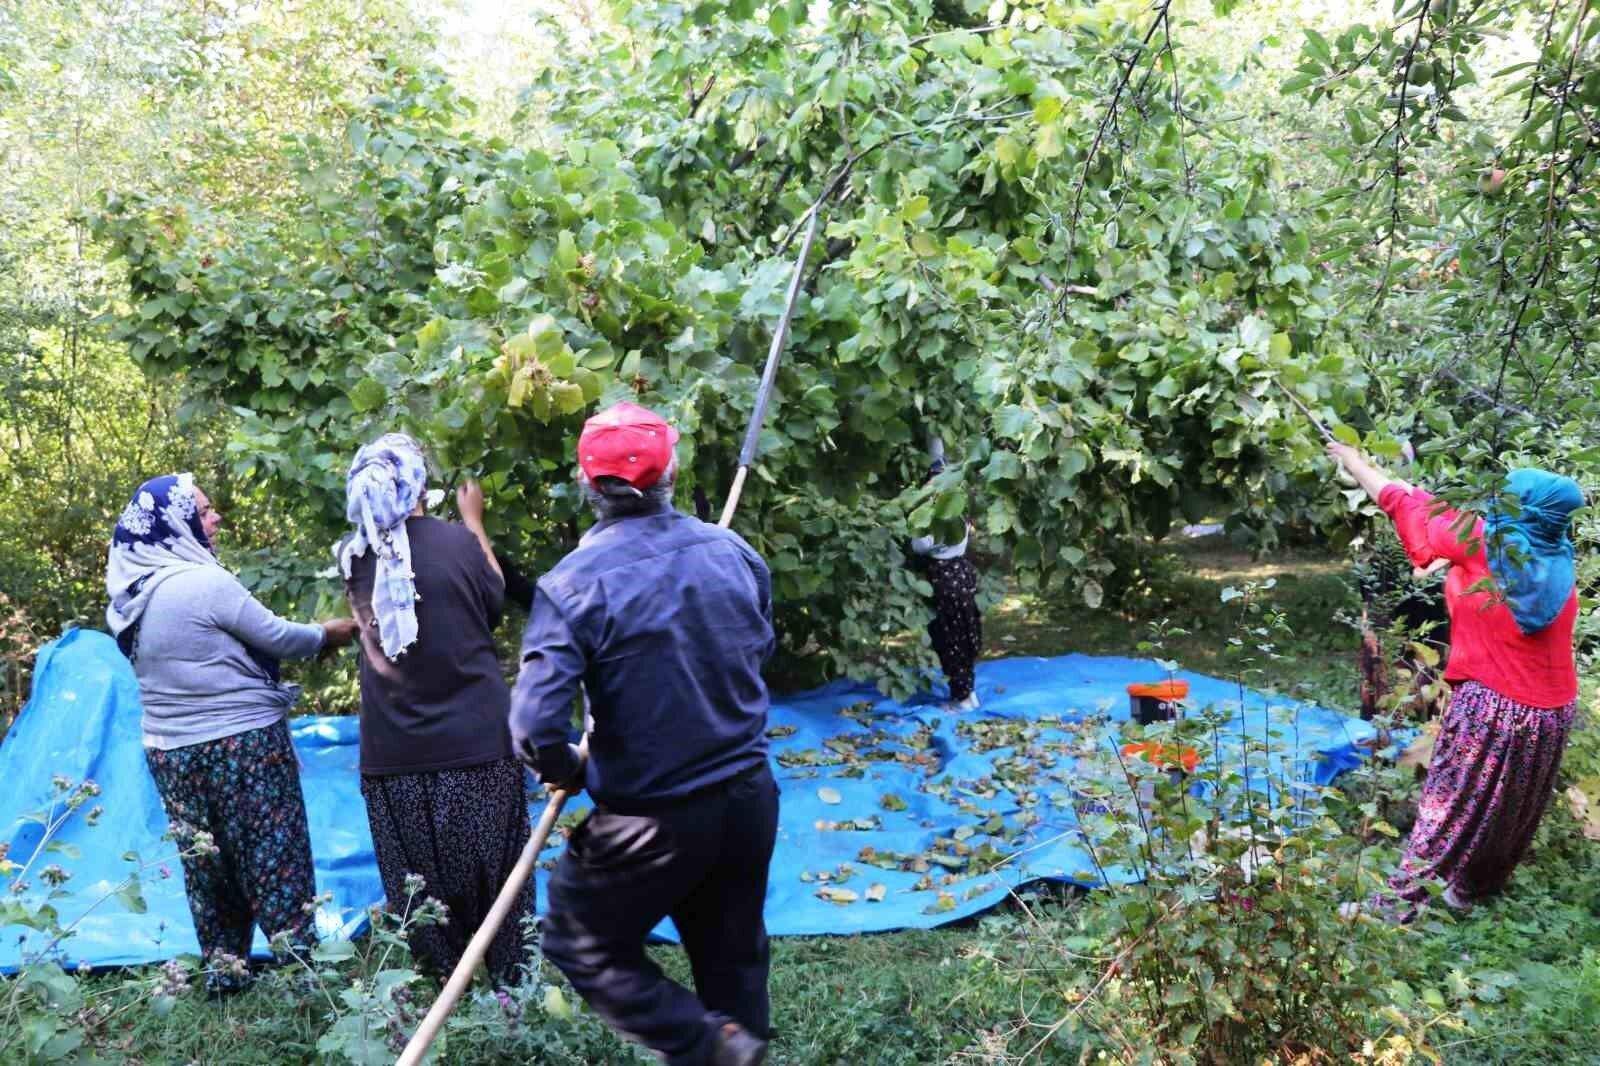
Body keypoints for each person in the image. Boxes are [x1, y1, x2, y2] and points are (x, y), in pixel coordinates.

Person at [509, 402, 778, 1066]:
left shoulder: (573, 584)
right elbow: (754, 649)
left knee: (580, 940)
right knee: (732, 957)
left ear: (586, 482)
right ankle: (733, 1046)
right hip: (747, 797)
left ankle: (707, 1045)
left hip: (655, 816)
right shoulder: (733, 553)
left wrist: (567, 765)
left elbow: (534, 724)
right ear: (672, 472)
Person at [105, 473, 359, 993]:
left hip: (170, 753)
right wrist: (329, 633)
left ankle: (226, 973)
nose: (215, 517)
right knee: (275, 858)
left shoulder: (131, 594)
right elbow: (279, 638)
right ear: (172, 525)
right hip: (241, 744)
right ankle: (303, 978)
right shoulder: (202, 583)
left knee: (208, 867)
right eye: (201, 511)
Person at [1327, 444, 1583, 920]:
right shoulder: (1555, 552)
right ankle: (1469, 892)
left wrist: (1354, 462)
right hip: (1552, 710)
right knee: (1510, 815)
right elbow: (1429, 506)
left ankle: (1394, 910)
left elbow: (1401, 502)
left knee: (1444, 809)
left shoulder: (1487, 542)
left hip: (1494, 707)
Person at [338, 433, 536, 986]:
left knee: (420, 877)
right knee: (495, 870)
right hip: (474, 739)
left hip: (393, 747)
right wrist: (473, 520)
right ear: (417, 484)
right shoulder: (456, 542)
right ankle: (509, 978)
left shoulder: (353, 557)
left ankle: (444, 979)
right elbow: (493, 599)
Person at [908, 453, 982, 712]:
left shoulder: (936, 515)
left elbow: (919, 546)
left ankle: (962, 699)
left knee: (950, 639)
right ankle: (968, 693)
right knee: (964, 635)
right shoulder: (960, 508)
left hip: (945, 579)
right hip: (961, 574)